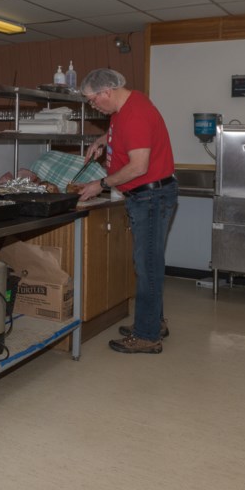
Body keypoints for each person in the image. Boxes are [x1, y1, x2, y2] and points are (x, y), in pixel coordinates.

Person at [76, 69, 177, 354]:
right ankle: (153, 323)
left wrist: (101, 184)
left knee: (147, 266)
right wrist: (101, 141)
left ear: (107, 91)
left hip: (151, 197)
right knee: (149, 263)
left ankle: (147, 336)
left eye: (93, 100)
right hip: (148, 196)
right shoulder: (126, 106)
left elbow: (138, 167)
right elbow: (120, 133)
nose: (93, 106)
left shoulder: (134, 114)